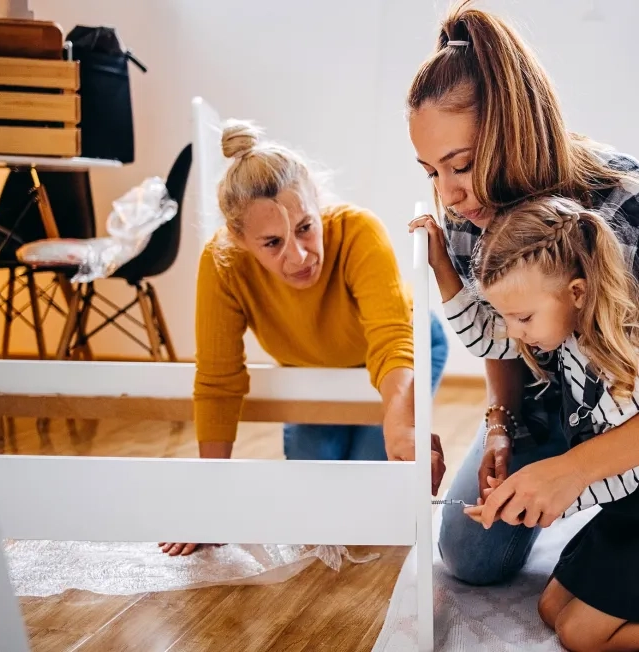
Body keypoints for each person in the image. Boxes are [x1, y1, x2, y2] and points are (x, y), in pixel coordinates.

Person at [405, 0, 639, 586]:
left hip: (627, 402)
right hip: (553, 399)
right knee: (469, 556)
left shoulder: (622, 205)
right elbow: (499, 337)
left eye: (459, 163)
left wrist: (575, 470)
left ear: (513, 126)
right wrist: (500, 423)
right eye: (432, 172)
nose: (451, 194)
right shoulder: (464, 220)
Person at [160, 119, 449, 556]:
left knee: (369, 507)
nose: (297, 257)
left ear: (317, 203)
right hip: (313, 370)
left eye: (305, 228)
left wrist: (401, 424)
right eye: (272, 243)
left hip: (396, 357)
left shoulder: (357, 231)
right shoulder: (222, 264)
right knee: (320, 503)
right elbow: (219, 381)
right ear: (240, 240)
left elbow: (392, 341)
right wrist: (210, 499)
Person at [444, 196, 639, 651]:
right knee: (551, 609)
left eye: (522, 318)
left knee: (581, 634)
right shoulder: (562, 335)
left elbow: (620, 475)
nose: (514, 331)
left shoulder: (623, 354)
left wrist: (547, 497)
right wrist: (439, 266)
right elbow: (482, 335)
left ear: (576, 292)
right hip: (624, 510)